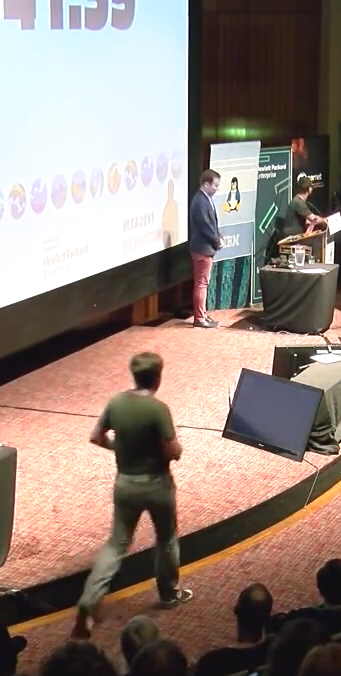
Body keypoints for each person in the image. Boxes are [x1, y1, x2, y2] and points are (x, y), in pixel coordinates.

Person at [73, 353, 191, 639]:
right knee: (166, 538)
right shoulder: (158, 409)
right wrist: (177, 451)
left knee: (116, 544)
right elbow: (171, 450)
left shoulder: (116, 403)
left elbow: (96, 437)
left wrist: (120, 449)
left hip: (125, 483)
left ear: (134, 376)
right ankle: (169, 594)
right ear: (157, 378)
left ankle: (88, 601)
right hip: (157, 484)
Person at [188, 169, 223, 328]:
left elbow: (212, 223)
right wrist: (217, 241)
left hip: (206, 248)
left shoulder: (206, 199)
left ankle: (202, 314)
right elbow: (205, 226)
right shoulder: (200, 201)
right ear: (206, 184)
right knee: (201, 284)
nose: (217, 189)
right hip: (202, 248)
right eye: (215, 185)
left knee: (203, 283)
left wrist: (219, 236)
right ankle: (200, 318)